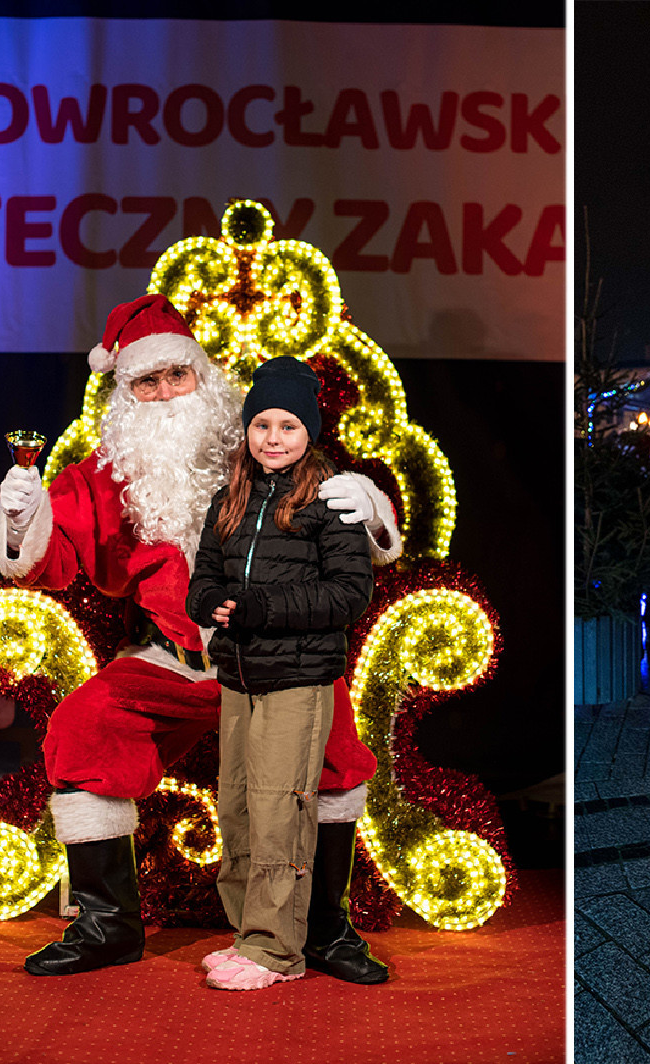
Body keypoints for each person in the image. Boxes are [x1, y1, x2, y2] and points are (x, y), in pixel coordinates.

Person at [0, 294, 400, 981]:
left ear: (202, 376)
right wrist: (20, 518)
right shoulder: (105, 473)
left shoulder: (260, 444)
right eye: (146, 383)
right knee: (84, 725)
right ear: (124, 394)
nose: (164, 395)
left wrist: (368, 505)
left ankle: (326, 927)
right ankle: (107, 924)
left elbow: (347, 517)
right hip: (171, 665)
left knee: (334, 746)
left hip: (275, 659)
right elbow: (49, 560)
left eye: (176, 376)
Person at [186, 357, 374, 990]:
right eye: (261, 423)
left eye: (288, 425)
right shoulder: (229, 497)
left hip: (297, 677)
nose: (272, 437)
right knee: (236, 807)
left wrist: (267, 608)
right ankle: (248, 933)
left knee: (278, 810)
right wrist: (202, 602)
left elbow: (350, 594)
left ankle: (276, 950)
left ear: (309, 432)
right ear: (246, 429)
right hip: (238, 676)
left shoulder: (329, 501)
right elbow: (205, 573)